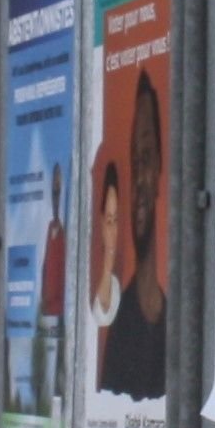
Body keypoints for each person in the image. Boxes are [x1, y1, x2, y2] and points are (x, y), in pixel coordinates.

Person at [98, 78, 168, 399]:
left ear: (159, 171)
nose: (140, 178)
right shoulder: (120, 330)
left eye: (147, 156)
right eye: (135, 160)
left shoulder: (178, 320)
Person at [87, 157, 124, 381]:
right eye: (109, 220)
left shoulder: (122, 282)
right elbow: (99, 313)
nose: (113, 229)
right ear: (100, 222)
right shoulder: (89, 274)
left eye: (116, 220)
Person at [35, 162, 67, 415]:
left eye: (59, 191)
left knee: (60, 365)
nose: (56, 196)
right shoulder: (50, 227)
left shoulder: (67, 232)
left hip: (63, 312)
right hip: (49, 311)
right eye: (53, 191)